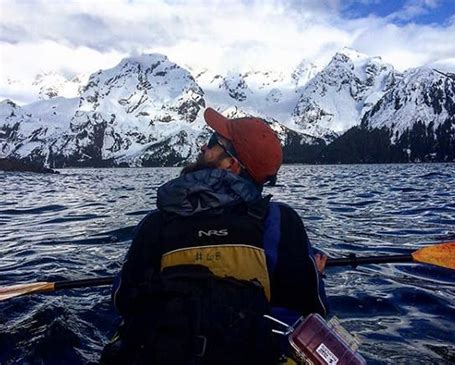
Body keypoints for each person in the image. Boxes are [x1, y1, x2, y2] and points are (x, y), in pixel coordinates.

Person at [101, 107, 328, 365]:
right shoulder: (282, 222)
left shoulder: (159, 222)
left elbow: (123, 299)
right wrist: (316, 276)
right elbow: (314, 310)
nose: (202, 147)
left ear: (231, 165)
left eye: (212, 142)